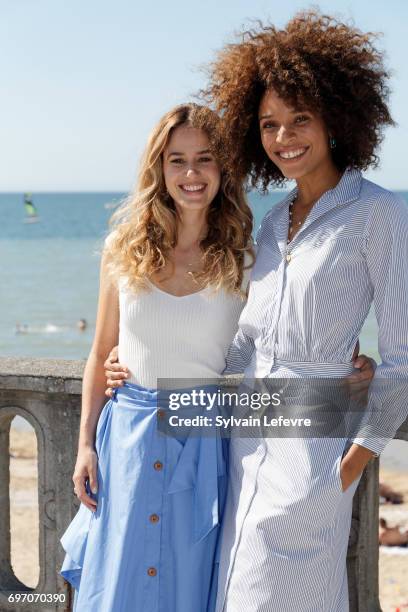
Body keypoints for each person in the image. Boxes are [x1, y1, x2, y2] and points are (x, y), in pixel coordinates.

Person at [198, 10, 408, 612]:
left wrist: (340, 475)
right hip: (243, 450)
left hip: (310, 462)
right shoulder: (270, 223)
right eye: (268, 124)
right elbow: (245, 342)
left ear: (336, 119)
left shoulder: (378, 212)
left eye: (300, 119)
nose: (283, 137)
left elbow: (398, 359)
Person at [59, 103, 255, 612]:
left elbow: (279, 339)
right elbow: (101, 350)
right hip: (127, 440)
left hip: (203, 445)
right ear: (159, 168)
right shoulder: (122, 247)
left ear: (223, 169)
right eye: (177, 160)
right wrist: (85, 444)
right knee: (120, 584)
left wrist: (349, 359)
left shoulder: (245, 257)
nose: (191, 174)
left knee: (188, 585)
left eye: (205, 159)